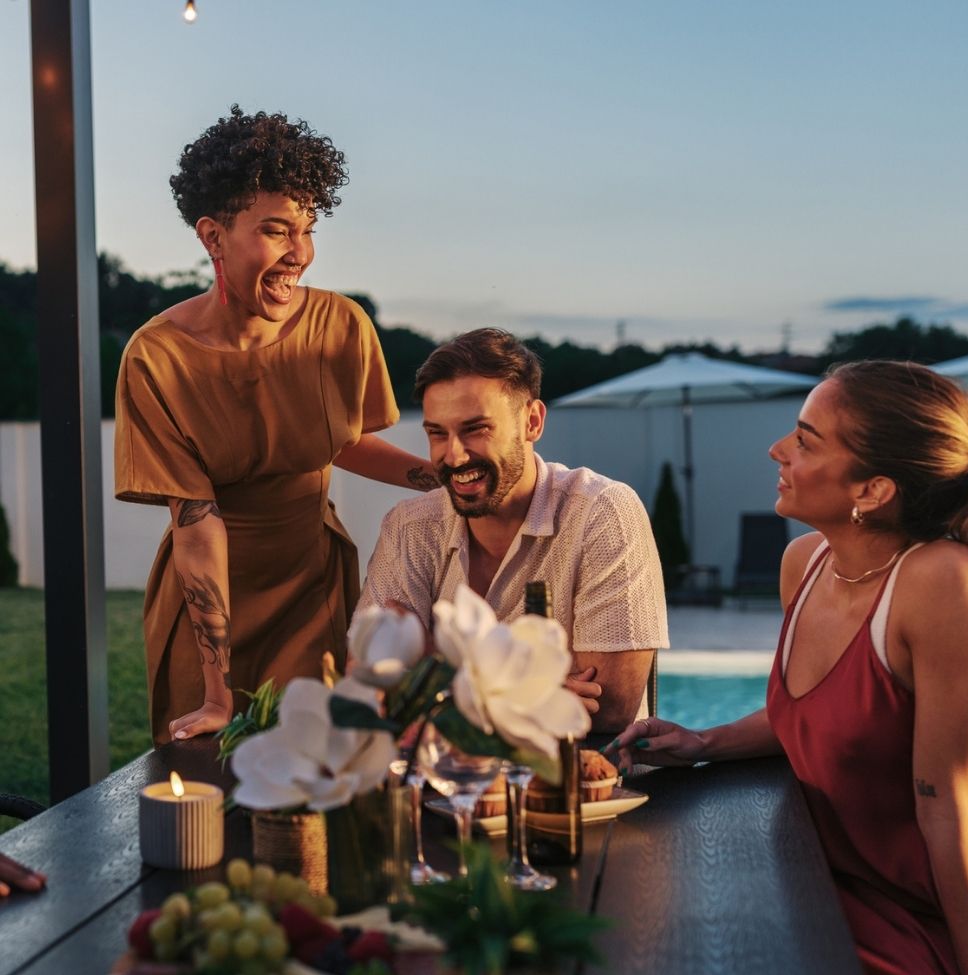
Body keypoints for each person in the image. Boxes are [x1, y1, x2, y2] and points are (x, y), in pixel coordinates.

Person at [611, 361, 968, 975]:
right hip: (831, 892)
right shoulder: (803, 564)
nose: (778, 450)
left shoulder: (941, 584)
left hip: (933, 920)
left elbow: (945, 811)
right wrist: (702, 740)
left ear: (874, 487)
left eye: (806, 441)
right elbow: (823, 718)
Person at [115, 106, 437, 745]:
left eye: (308, 229)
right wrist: (218, 692)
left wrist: (446, 480)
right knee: (207, 800)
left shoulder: (340, 327)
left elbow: (340, 441)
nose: (301, 254)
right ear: (212, 237)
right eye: (275, 230)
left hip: (312, 591)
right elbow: (196, 521)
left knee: (317, 794)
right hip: (206, 607)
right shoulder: (155, 357)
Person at [357, 328, 670, 732]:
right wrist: (525, 691)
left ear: (533, 421)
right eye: (438, 433)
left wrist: (433, 669)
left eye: (476, 429)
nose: (453, 455)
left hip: (582, 786)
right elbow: (370, 683)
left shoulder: (601, 513)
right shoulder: (409, 527)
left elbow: (608, 710)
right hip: (447, 787)